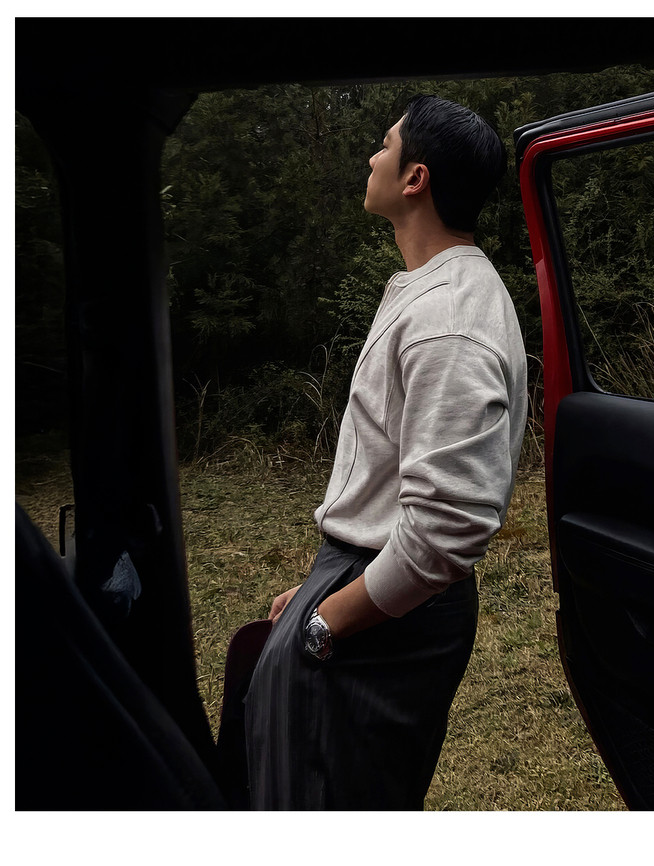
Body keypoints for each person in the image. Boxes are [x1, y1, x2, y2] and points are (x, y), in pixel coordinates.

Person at [244, 94, 527, 810]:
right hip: (369, 581)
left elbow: (447, 527)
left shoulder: (447, 322)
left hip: (387, 617)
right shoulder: (434, 289)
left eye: (384, 145)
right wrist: (322, 586)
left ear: (414, 179)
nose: (371, 158)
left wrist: (329, 619)